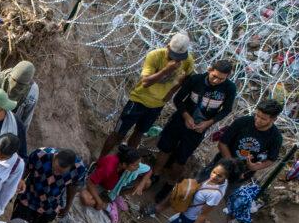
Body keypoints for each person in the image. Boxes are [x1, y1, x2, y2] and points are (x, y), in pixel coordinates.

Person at [150, 60, 237, 197]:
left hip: (199, 127)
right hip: (180, 121)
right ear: (209, 69)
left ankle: (170, 184)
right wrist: (186, 117)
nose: (216, 81)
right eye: (214, 76)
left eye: (221, 79)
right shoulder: (196, 80)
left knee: (182, 157)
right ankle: (154, 174)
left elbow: (226, 109)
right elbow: (178, 99)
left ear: (228, 76)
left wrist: (208, 123)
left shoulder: (229, 88)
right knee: (165, 148)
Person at [100, 32, 194, 156]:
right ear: (167, 47)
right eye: (173, 56)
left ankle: (126, 164)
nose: (176, 60)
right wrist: (166, 70)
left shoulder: (187, 61)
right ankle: (100, 160)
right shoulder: (155, 55)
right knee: (118, 133)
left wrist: (171, 92)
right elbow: (145, 82)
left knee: (138, 133)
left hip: (157, 105)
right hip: (139, 100)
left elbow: (186, 79)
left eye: (179, 57)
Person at [13, 147, 88, 223]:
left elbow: (73, 188)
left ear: (70, 167)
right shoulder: (40, 154)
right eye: (55, 168)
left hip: (50, 207)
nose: (56, 173)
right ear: (55, 157)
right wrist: (20, 180)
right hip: (28, 198)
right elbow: (26, 168)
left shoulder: (79, 169)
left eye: (61, 172)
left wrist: (67, 206)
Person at [209, 99, 283, 180]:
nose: (257, 120)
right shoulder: (242, 122)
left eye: (263, 119)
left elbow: (271, 159)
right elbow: (222, 143)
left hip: (242, 175)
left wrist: (255, 167)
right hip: (219, 167)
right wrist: (231, 164)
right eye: (257, 115)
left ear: (274, 119)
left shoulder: (276, 137)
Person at [82, 144, 151, 213]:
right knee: (86, 199)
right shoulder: (108, 167)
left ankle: (116, 196)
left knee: (147, 182)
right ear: (124, 164)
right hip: (102, 184)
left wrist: (141, 185)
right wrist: (99, 201)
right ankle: (108, 206)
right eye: (135, 165)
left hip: (117, 184)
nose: (138, 167)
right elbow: (90, 183)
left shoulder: (130, 163)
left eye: (138, 164)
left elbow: (149, 170)